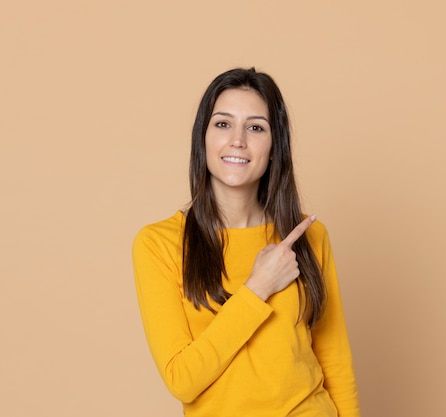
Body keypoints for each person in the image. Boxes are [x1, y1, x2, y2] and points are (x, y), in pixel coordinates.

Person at [132, 68, 360, 417]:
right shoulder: (159, 244)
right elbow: (182, 379)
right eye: (223, 124)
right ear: (203, 138)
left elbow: (336, 362)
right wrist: (258, 287)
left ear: (274, 147)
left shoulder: (308, 236)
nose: (237, 140)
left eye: (256, 127)